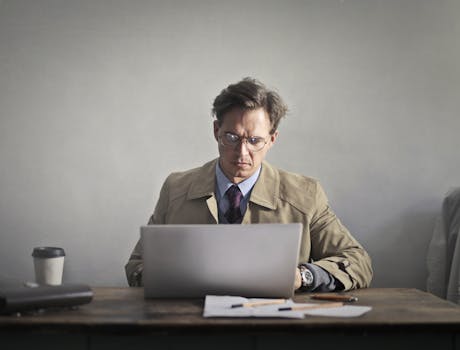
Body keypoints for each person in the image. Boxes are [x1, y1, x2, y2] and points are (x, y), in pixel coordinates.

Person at [125, 77, 373, 291]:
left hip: (274, 331)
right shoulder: (175, 188)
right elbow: (137, 265)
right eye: (232, 137)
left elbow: (358, 261)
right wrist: (170, 275)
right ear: (216, 131)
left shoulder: (306, 195)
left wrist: (302, 276)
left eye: (255, 140)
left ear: (272, 139)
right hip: (189, 325)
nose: (242, 153)